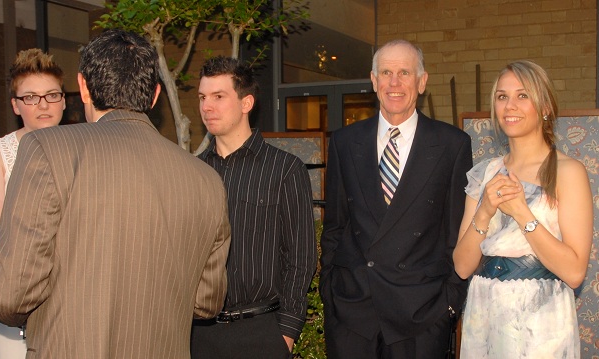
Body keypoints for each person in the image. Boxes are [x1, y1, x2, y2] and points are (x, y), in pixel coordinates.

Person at [0, 29, 231, 359]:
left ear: (83, 87)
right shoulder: (207, 179)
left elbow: (9, 295)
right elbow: (206, 303)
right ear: (155, 95)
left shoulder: (47, 149)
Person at [319, 39, 472, 358]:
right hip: (352, 311)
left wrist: (449, 303)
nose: (394, 82)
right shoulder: (345, 142)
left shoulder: (451, 144)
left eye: (404, 72)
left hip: (421, 313)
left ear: (422, 81)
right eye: (386, 72)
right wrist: (330, 291)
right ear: (373, 81)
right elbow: (334, 226)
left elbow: (457, 233)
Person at [453, 60, 592, 358]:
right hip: (483, 316)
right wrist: (485, 210)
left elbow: (575, 272)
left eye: (522, 95)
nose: (509, 106)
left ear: (545, 108)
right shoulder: (484, 174)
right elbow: (462, 267)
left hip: (541, 323)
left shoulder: (568, 171)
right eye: (502, 96)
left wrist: (523, 214)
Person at [191, 55, 317, 359]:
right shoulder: (191, 172)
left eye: (218, 97)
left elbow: (301, 257)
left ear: (246, 103)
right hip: (198, 335)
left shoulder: (285, 169)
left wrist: (285, 333)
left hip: (261, 333)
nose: (207, 106)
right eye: (202, 97)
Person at [0, 48, 65, 358]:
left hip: (75, 282)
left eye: (51, 95)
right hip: (17, 282)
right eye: (30, 97)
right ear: (16, 105)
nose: (43, 105)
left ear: (64, 100)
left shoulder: (86, 148)